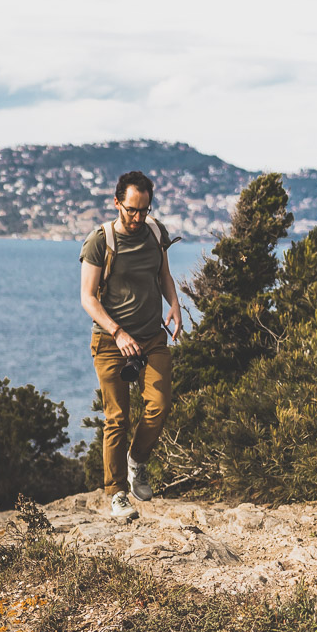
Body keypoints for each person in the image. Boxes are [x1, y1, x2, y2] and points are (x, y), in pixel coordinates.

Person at [80, 169, 183, 519]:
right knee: (117, 418)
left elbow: (163, 274)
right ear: (117, 203)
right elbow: (87, 298)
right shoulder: (100, 241)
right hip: (111, 343)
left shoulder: (156, 232)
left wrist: (175, 304)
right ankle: (117, 492)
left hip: (152, 336)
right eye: (131, 210)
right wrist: (117, 332)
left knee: (160, 404)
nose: (138, 217)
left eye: (144, 209)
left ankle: (137, 460)